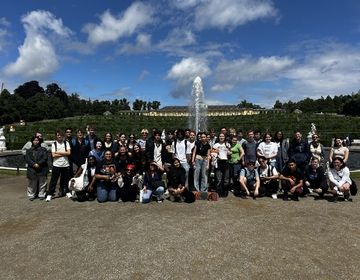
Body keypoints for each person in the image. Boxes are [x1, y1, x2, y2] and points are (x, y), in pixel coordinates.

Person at [46, 130, 72, 202]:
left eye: (60, 135)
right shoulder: (54, 144)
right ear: (56, 136)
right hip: (56, 165)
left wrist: (58, 152)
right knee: (53, 180)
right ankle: (50, 194)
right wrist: (64, 153)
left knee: (65, 179)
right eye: (58, 135)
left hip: (65, 164)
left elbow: (69, 153)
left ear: (63, 136)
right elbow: (53, 155)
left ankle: (67, 192)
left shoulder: (66, 143)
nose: (59, 136)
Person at [25, 135, 48, 200]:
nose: (36, 142)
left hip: (42, 168)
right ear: (32, 141)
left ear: (39, 141)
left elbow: (45, 158)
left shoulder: (43, 149)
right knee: (32, 183)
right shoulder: (28, 150)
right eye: (34, 140)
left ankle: (41, 194)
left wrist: (38, 164)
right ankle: (31, 195)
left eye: (37, 140)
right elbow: (27, 159)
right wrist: (33, 164)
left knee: (42, 182)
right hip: (32, 168)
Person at [213, 133, 231, 197]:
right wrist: (216, 152)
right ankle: (218, 192)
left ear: (224, 137)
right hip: (218, 162)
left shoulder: (227, 144)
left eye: (223, 136)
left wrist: (229, 153)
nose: (221, 137)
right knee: (218, 179)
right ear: (218, 137)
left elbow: (230, 153)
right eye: (220, 136)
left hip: (226, 162)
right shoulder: (216, 145)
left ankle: (225, 192)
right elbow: (213, 153)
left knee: (226, 179)